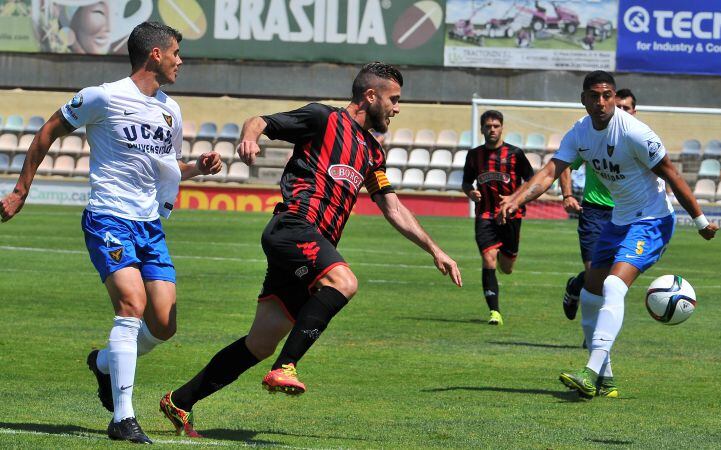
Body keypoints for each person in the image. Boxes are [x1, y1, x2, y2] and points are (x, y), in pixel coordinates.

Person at [158, 62, 462, 438]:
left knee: (260, 342)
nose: (398, 108)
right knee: (344, 281)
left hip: (309, 244)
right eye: (394, 99)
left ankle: (181, 400)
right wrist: (250, 138)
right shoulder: (322, 118)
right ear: (371, 95)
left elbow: (393, 206)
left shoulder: (371, 151)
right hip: (293, 227)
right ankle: (287, 367)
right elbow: (260, 121)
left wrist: (435, 249)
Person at [0, 21, 222, 443]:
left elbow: (168, 168)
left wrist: (199, 167)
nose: (181, 60)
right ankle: (123, 418)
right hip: (109, 217)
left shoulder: (170, 110)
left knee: (164, 323)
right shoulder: (102, 96)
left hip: (150, 225)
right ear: (155, 54)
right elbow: (48, 131)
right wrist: (19, 191)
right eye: (176, 52)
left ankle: (103, 364)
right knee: (131, 305)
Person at [499, 71, 718, 399]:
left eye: (607, 95)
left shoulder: (634, 132)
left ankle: (589, 371)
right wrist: (516, 198)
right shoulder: (580, 133)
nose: (601, 102)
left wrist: (700, 222)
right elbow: (549, 172)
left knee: (614, 285)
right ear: (583, 99)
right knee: (590, 295)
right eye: (594, 96)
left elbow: (672, 174)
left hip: (652, 220)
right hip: (618, 221)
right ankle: (607, 378)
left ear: (614, 97)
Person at [559, 89, 636, 323]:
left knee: (613, 279)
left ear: (635, 111)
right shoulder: (595, 136)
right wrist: (567, 195)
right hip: (594, 212)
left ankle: (576, 284)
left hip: (627, 214)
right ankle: (593, 334)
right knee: (599, 276)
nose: (622, 112)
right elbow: (564, 164)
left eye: (627, 108)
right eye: (619, 107)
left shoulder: (640, 138)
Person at [462, 110, 533, 325]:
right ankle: (495, 312)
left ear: (502, 128)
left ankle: (507, 257)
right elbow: (466, 182)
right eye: (488, 126)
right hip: (485, 215)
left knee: (507, 267)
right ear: (482, 129)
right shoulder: (474, 155)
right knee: (488, 258)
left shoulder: (515, 154)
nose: (492, 130)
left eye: (496, 126)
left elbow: (531, 181)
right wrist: (470, 192)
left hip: (512, 215)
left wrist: (515, 198)